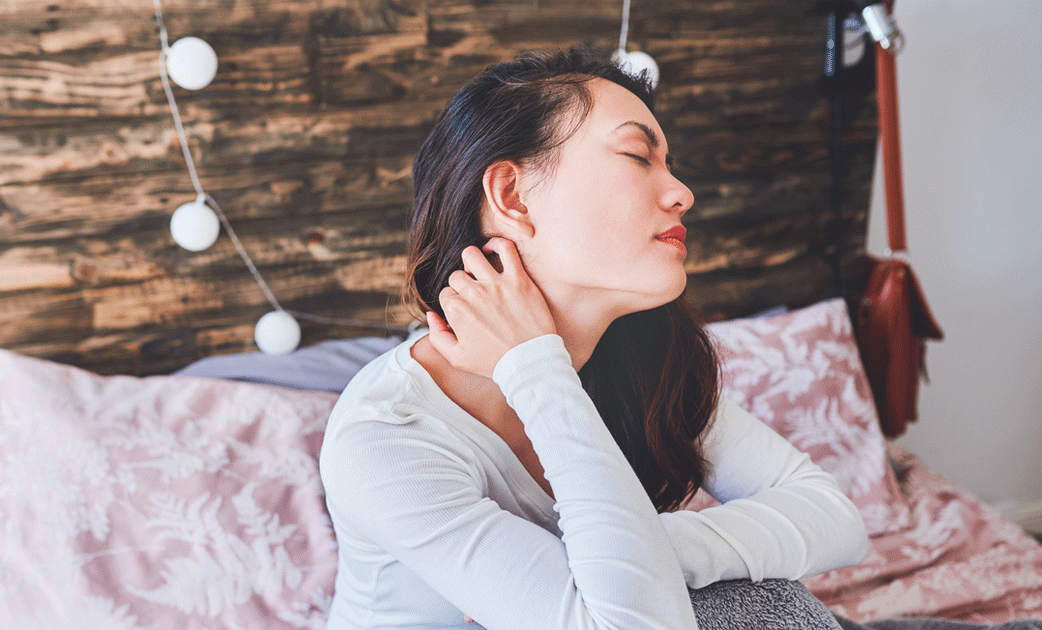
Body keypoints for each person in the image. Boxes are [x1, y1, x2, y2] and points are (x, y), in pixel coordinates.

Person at [317, 47, 869, 630]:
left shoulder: (638, 352)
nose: (682, 192)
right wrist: (535, 369)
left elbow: (835, 518)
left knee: (771, 604)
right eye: (638, 156)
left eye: (669, 163)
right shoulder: (384, 437)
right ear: (512, 195)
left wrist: (655, 547)